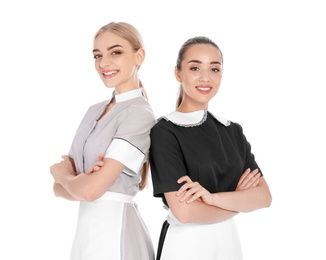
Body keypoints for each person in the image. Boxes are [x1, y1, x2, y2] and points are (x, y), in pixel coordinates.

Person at [149, 36, 272, 260]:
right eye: (195, 67)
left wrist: (211, 198)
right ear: (178, 73)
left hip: (228, 242)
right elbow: (185, 212)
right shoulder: (165, 131)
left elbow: (264, 197)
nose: (205, 77)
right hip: (186, 245)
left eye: (214, 69)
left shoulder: (232, 131)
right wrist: (239, 201)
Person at [50, 22, 156, 260]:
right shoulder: (93, 111)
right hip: (85, 236)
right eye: (98, 55)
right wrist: (79, 181)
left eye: (115, 52)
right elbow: (59, 190)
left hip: (117, 236)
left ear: (139, 56)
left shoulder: (140, 113)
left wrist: (66, 176)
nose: (103, 63)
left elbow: (87, 190)